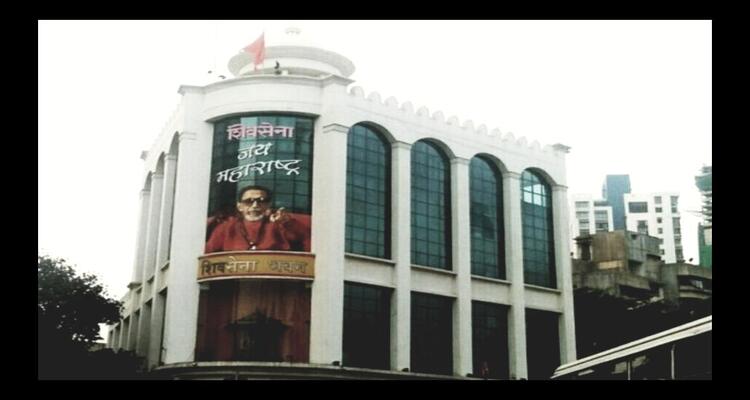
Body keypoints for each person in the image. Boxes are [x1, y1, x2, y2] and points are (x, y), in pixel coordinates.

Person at [205, 185, 311, 253]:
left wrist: (287, 224)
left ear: (268, 205)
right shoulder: (226, 227)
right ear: (239, 206)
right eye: (249, 201)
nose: (255, 205)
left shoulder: (281, 223)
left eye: (261, 201)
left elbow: (306, 241)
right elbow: (207, 253)